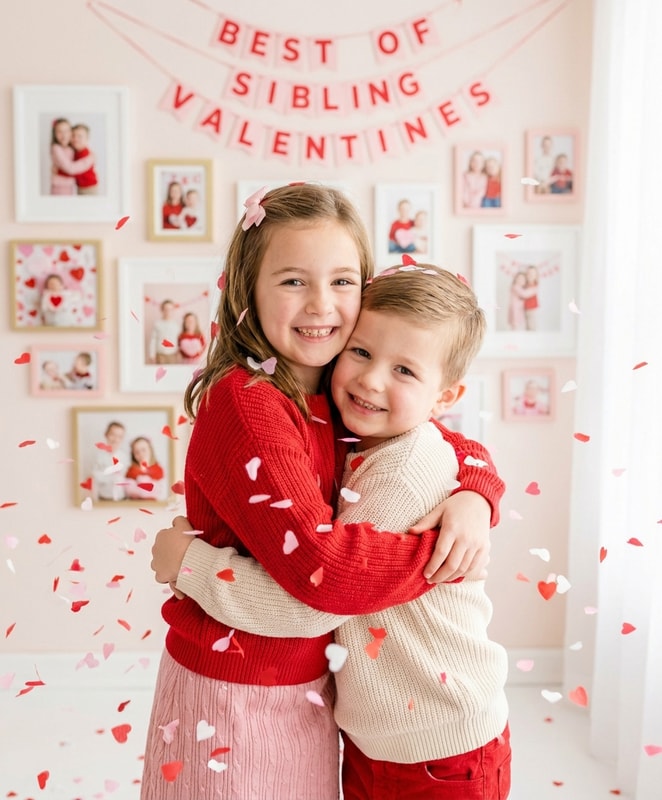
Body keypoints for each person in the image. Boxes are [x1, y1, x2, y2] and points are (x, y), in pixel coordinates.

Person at [144, 183, 504, 799]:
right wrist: (439, 556)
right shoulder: (250, 402)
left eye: (342, 282)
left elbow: (440, 438)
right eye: (292, 281)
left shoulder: (342, 399)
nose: (321, 304)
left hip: (316, 690)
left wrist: (476, 493)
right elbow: (325, 576)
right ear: (246, 289)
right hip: (237, 688)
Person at [49, 118, 94, 196]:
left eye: (66, 131)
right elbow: (71, 168)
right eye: (59, 132)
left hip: (76, 186)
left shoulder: (71, 147)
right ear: (54, 134)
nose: (64, 135)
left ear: (71, 132)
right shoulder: (56, 148)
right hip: (60, 187)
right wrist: (89, 160)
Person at [92, 421, 127, 502]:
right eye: (113, 435)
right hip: (104, 497)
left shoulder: (124, 457)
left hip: (121, 498)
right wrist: (110, 477)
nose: (115, 439)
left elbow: (125, 476)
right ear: (106, 434)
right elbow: (96, 476)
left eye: (119, 436)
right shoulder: (99, 456)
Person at [125, 436, 166, 501]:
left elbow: (161, 492)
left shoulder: (159, 470)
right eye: (137, 452)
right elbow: (129, 491)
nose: (141, 454)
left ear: (150, 450)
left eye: (143, 450)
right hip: (135, 506)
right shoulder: (131, 471)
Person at [148, 299, 180, 365]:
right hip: (160, 355)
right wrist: (152, 355)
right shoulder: (157, 324)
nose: (168, 312)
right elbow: (153, 340)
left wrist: (178, 352)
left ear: (173, 311)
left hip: (172, 355)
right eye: (166, 309)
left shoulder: (176, 325)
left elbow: (178, 340)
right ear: (162, 310)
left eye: (170, 310)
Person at [70, 124, 99, 195]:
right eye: (73, 135)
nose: (75, 139)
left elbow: (74, 170)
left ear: (87, 139)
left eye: (79, 136)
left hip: (89, 188)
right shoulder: (75, 152)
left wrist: (59, 171)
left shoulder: (85, 154)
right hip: (81, 187)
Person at [523, 264, 539, 331]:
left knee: (531, 324)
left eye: (532, 274)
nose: (530, 276)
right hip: (525, 307)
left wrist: (518, 289)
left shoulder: (535, 286)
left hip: (531, 308)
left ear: (536, 276)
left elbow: (525, 294)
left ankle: (532, 334)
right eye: (528, 274)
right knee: (526, 324)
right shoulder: (525, 284)